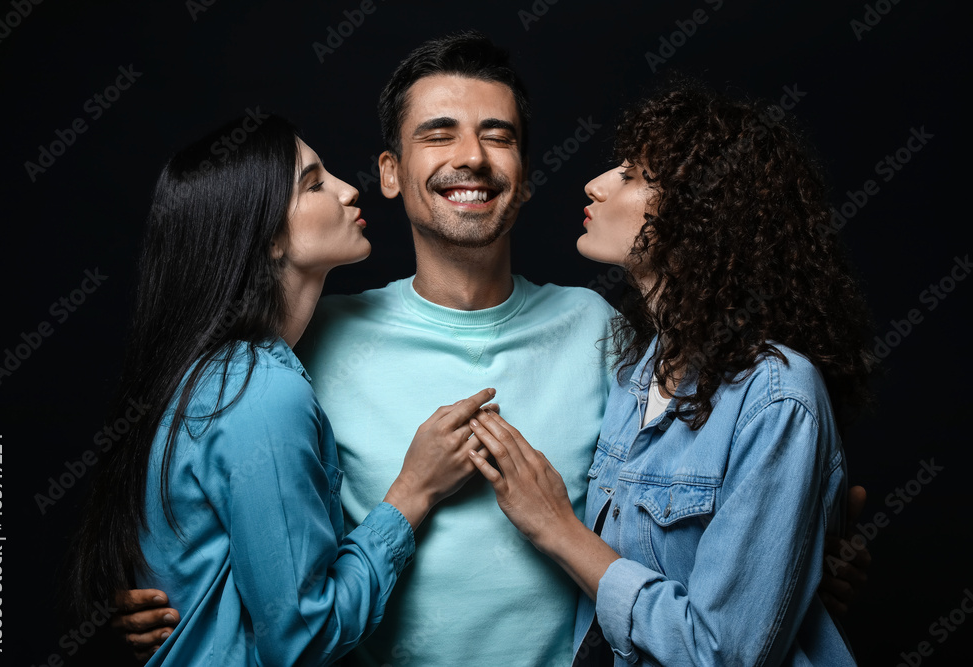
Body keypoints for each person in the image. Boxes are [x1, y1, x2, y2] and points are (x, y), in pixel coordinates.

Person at [115, 33, 870, 666]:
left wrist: (811, 560)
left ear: (527, 179)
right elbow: (230, 497)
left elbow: (719, 490)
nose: (471, 157)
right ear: (388, 173)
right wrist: (180, 591)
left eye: (498, 135)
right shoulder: (307, 345)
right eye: (438, 133)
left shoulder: (610, 336)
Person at [66, 114, 498, 665]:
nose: (348, 190)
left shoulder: (215, 374)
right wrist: (413, 492)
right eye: (315, 184)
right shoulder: (260, 393)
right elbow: (301, 638)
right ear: (269, 236)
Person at [466, 80, 873, 665]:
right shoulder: (635, 373)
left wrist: (557, 526)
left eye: (632, 175)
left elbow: (724, 653)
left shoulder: (778, 395)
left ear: (701, 213)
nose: (596, 184)